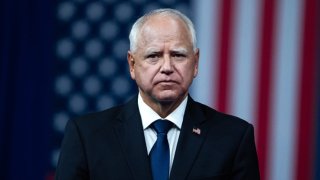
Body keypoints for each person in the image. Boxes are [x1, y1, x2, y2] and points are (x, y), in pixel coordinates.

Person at [55, 8, 260, 180]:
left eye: (178, 55)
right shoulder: (87, 136)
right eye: (154, 56)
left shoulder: (234, 137)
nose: (167, 67)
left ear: (195, 63)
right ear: (132, 64)